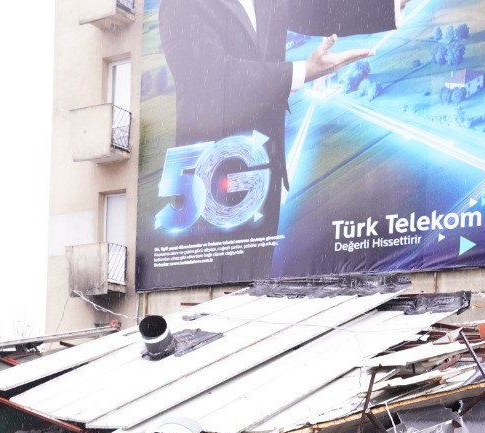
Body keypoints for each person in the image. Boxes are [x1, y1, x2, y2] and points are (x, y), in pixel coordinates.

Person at [158, 0, 413, 277]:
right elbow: (215, 76)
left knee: (254, 282)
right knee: (207, 285)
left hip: (262, 166)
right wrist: (303, 71)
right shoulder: (179, 4)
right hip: (208, 173)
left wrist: (392, 4)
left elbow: (318, 11)